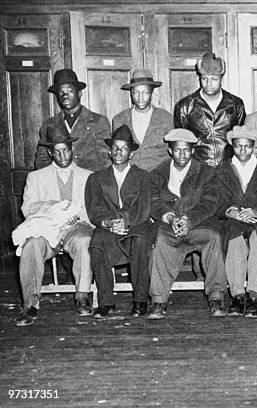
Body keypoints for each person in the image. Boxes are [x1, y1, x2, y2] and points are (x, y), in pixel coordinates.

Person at [13, 126, 94, 326]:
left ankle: (83, 296)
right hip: (47, 229)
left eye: (66, 150)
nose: (62, 155)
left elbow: (94, 208)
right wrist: (52, 209)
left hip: (76, 227)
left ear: (72, 149)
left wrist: (73, 217)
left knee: (84, 240)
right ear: (50, 153)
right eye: (57, 151)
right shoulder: (36, 177)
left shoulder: (88, 176)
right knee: (31, 244)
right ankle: (30, 303)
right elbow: (27, 208)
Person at [147, 129, 227, 319]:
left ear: (193, 151)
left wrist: (189, 219)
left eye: (186, 150)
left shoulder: (206, 172)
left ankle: (216, 296)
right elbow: (153, 202)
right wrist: (168, 217)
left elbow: (210, 203)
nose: (182, 154)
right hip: (170, 226)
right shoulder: (157, 174)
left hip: (198, 225)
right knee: (158, 240)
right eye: (177, 150)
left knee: (214, 237)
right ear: (170, 151)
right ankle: (159, 300)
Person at [86, 125, 154, 318]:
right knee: (96, 245)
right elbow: (94, 209)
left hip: (136, 223)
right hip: (108, 226)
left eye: (124, 148)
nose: (119, 152)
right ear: (109, 151)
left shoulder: (143, 177)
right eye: (115, 148)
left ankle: (140, 300)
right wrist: (108, 223)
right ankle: (106, 302)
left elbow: (144, 208)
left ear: (131, 153)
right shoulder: (96, 178)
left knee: (140, 240)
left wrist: (125, 221)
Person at [216, 126, 257, 318]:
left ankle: (254, 295)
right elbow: (214, 200)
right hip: (233, 221)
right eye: (238, 146)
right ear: (232, 146)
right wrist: (231, 211)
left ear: (254, 147)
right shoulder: (221, 170)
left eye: (247, 147)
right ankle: (237, 295)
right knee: (234, 241)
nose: (243, 151)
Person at [174, 51, 246, 167]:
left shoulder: (235, 104)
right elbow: (181, 142)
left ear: (221, 80)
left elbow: (241, 138)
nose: (208, 84)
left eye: (214, 79)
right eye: (204, 78)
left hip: (228, 167)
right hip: (198, 169)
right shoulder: (185, 106)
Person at [35, 69, 111, 171]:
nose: (65, 96)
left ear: (79, 93)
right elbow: (42, 161)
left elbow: (105, 160)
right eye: (61, 92)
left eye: (70, 91)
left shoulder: (98, 121)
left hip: (89, 181)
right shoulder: (49, 124)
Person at [112, 69, 173, 171]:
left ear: (152, 93)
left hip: (158, 179)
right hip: (131, 179)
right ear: (131, 93)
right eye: (136, 92)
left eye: (145, 92)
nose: (140, 97)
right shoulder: (120, 119)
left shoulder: (165, 118)